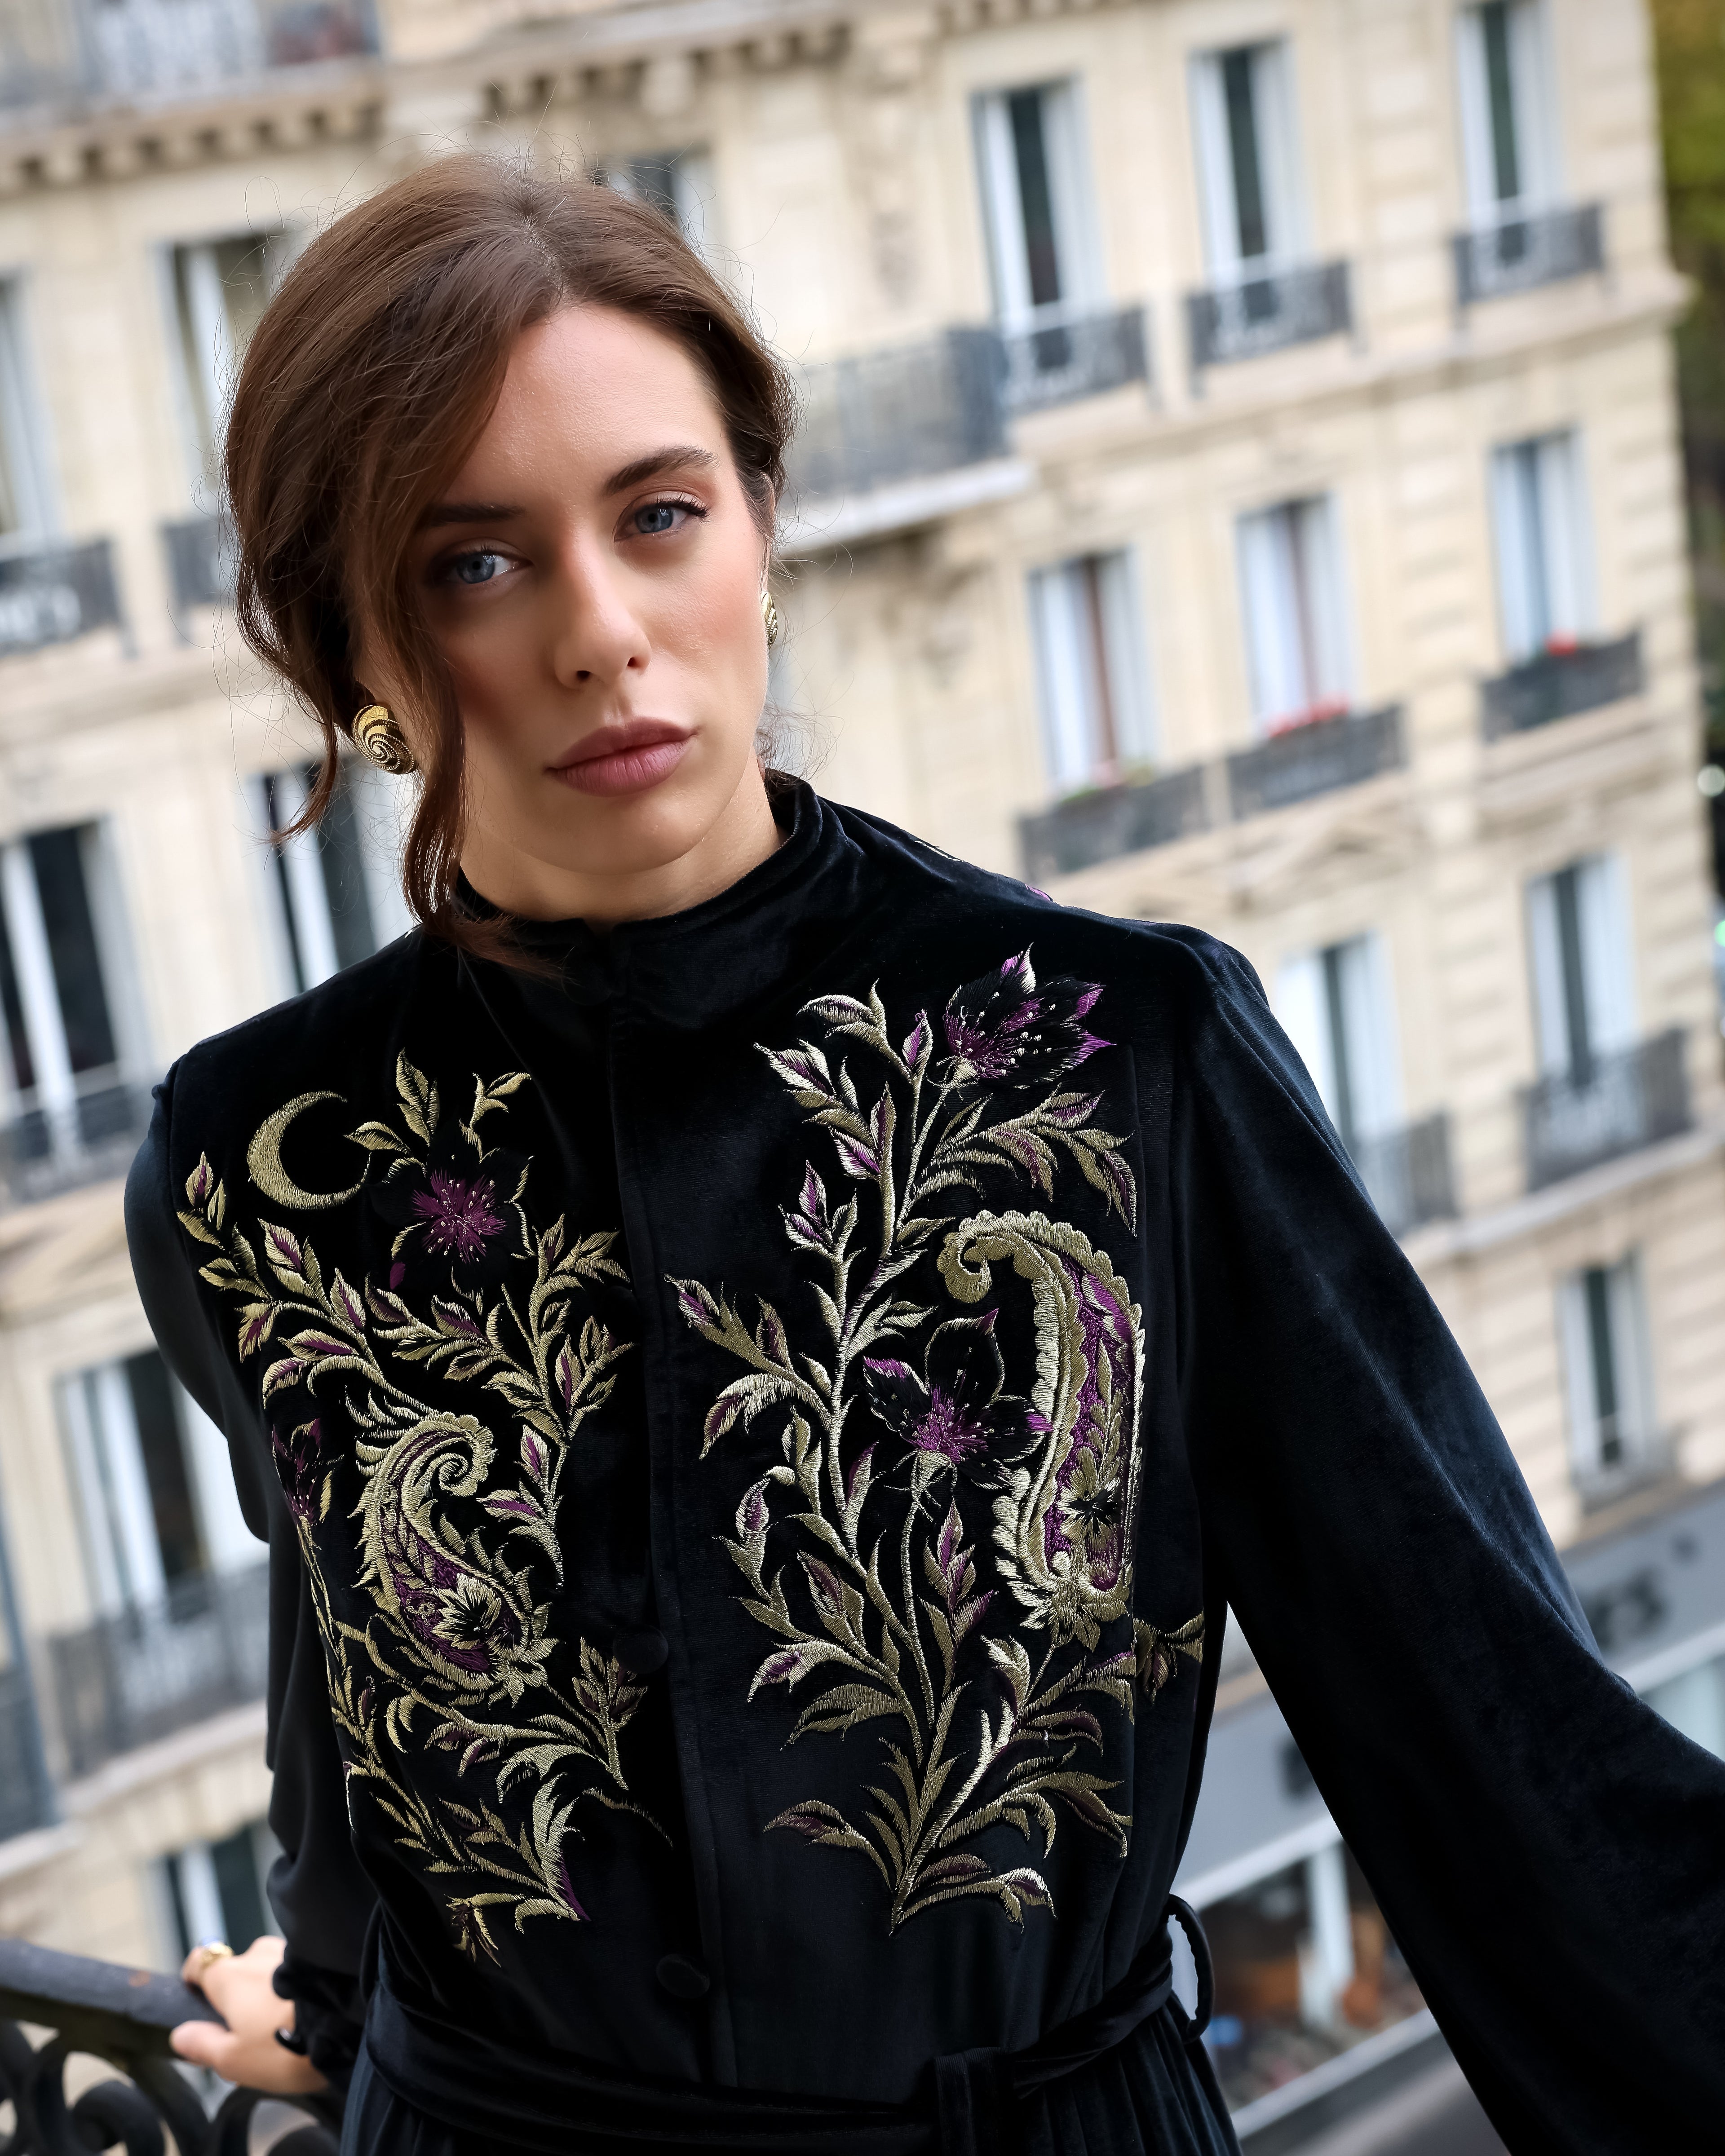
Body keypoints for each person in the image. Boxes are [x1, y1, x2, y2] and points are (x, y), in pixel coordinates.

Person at [125, 155, 1725, 2156]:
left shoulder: (1123, 1055)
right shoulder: (258, 1158)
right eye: (476, 562)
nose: (605, 631)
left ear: (763, 530)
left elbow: (1506, 1753)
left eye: (659, 517)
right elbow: (358, 1667)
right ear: (342, 638)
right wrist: (337, 1986)